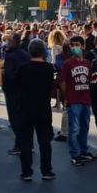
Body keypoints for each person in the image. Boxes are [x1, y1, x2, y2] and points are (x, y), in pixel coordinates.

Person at [14, 40, 57, 180]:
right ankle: (46, 170)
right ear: (43, 51)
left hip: (25, 107)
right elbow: (51, 87)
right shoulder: (49, 68)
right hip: (43, 107)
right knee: (45, 142)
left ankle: (26, 172)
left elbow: (16, 86)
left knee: (25, 142)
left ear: (29, 51)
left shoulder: (23, 68)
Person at [59, 36, 95, 165]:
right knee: (74, 129)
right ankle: (75, 154)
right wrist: (66, 97)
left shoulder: (87, 63)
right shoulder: (68, 63)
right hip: (73, 99)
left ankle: (83, 151)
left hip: (85, 99)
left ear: (83, 46)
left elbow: (90, 79)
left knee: (84, 127)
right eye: (72, 45)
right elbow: (62, 81)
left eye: (77, 44)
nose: (74, 47)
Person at [2, 33, 29, 155]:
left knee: (15, 118)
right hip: (25, 89)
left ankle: (20, 144)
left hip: (13, 91)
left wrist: (6, 86)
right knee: (23, 118)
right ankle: (26, 143)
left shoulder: (10, 56)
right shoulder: (25, 54)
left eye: (10, 40)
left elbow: (9, 75)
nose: (8, 43)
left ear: (15, 41)